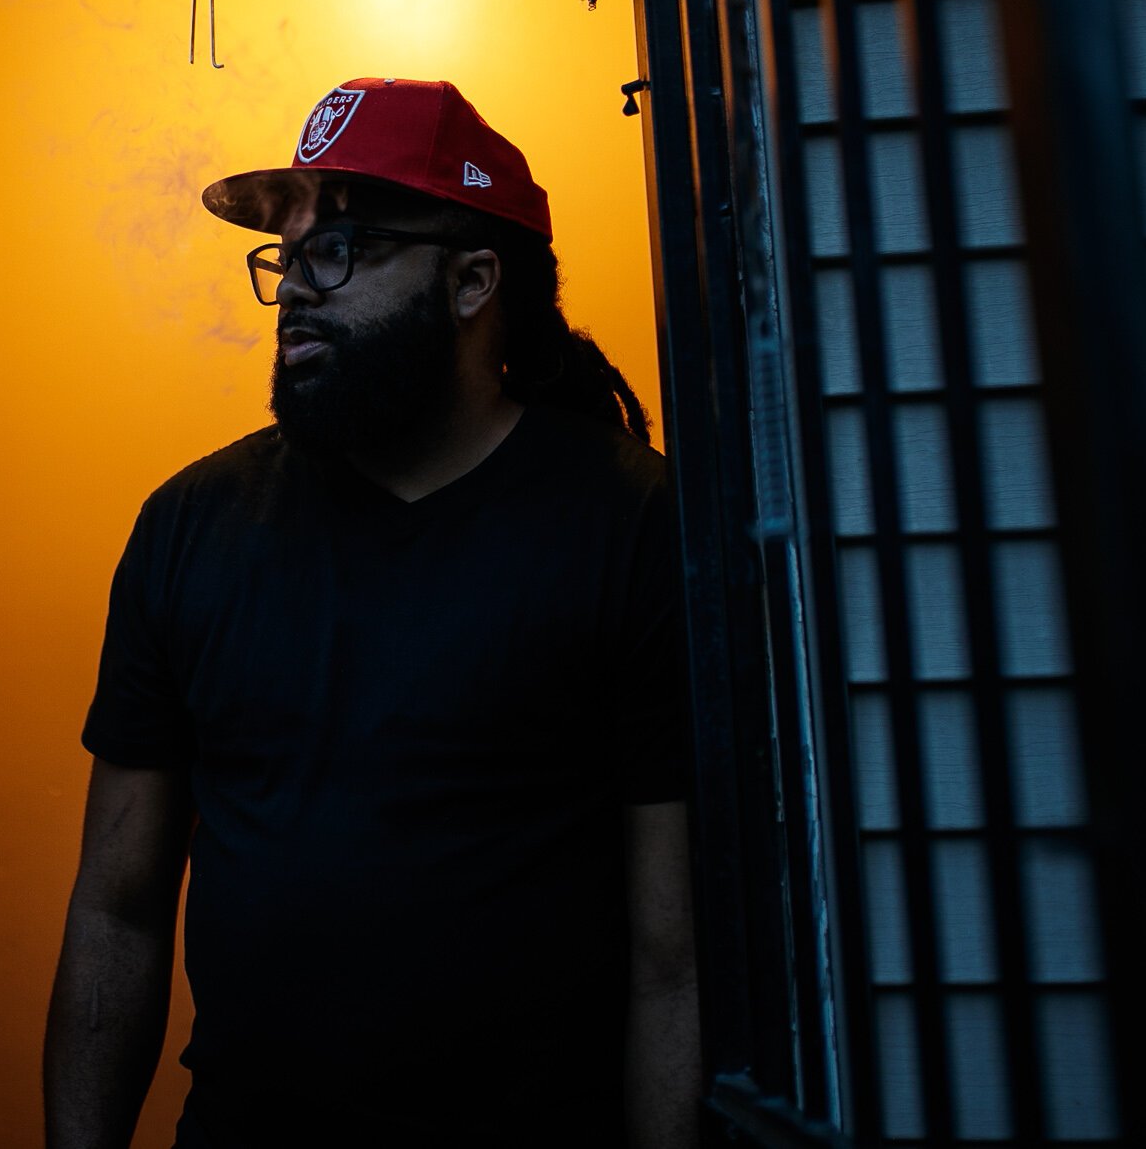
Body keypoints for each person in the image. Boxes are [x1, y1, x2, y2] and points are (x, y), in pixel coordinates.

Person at [43, 78, 699, 1149]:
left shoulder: (628, 522)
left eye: (342, 247)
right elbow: (117, 911)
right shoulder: (191, 527)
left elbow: (674, 961)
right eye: (290, 253)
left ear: (472, 280)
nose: (298, 289)